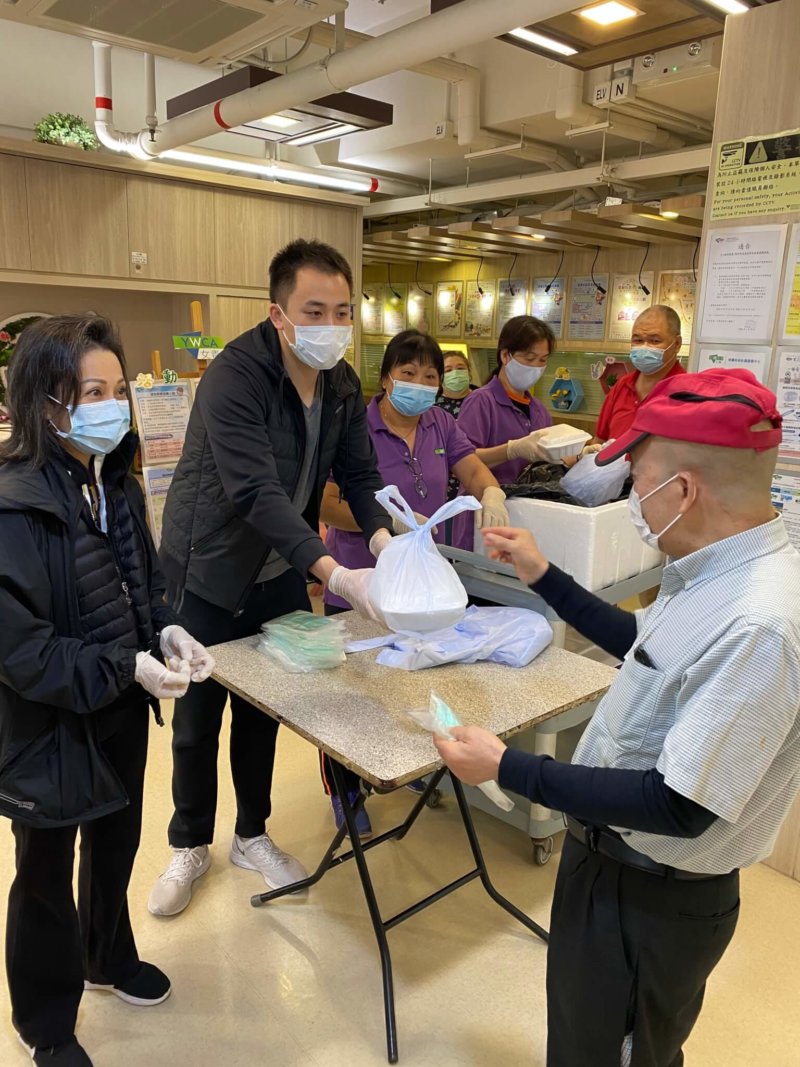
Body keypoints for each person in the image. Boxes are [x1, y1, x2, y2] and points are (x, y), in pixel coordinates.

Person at [434, 368, 800, 1067]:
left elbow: (680, 804)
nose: (631, 495)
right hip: (606, 868)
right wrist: (545, 576)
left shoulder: (761, 623)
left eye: (637, 476)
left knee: (619, 1054)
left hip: (654, 900)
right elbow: (645, 648)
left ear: (683, 490)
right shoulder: (707, 572)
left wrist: (510, 766)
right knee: (581, 1044)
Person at [150, 240, 392, 917]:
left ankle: (250, 833)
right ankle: (188, 842)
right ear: (279, 314)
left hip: (281, 570)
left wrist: (379, 539)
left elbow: (362, 475)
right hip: (208, 570)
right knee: (197, 718)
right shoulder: (237, 375)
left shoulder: (340, 381)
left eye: (342, 310)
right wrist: (338, 575)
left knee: (266, 710)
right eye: (315, 310)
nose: (331, 324)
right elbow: (256, 492)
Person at [0, 315, 215, 1067]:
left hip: (122, 705)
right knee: (45, 875)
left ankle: (107, 956)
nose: (112, 405)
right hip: (49, 724)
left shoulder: (115, 484)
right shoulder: (12, 506)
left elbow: (142, 584)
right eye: (92, 391)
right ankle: (47, 1023)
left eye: (117, 389)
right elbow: (22, 653)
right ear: (45, 401)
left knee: (117, 841)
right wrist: (122, 667)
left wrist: (167, 633)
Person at [320, 330, 508, 836]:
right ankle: (345, 790)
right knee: (348, 697)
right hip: (359, 580)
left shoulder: (441, 422)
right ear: (385, 378)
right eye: (409, 374)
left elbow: (469, 469)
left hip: (418, 591)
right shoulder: (355, 425)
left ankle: (390, 769)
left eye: (430, 376)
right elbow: (325, 503)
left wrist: (490, 494)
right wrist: (386, 524)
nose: (421, 385)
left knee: (401, 684)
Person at [595, 304, 684, 445]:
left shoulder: (687, 393)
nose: (644, 346)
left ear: (677, 344)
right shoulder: (621, 387)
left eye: (655, 341)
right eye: (638, 340)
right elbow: (599, 440)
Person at [436, 349, 477, 500]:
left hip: (477, 477)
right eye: (448, 370)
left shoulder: (482, 401)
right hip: (443, 484)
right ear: (440, 378)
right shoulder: (432, 407)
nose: (455, 373)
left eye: (460, 368)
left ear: (469, 372)